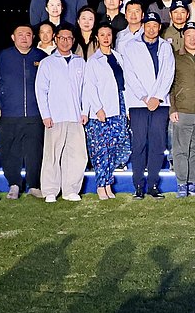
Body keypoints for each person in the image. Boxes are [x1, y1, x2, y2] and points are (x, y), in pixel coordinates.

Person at [121, 11, 175, 200]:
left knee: (158, 145)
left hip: (160, 104)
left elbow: (168, 73)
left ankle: (152, 184)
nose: (152, 28)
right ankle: (138, 185)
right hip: (138, 104)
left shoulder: (165, 47)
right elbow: (129, 75)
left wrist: (157, 97)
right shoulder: (130, 46)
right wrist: (145, 97)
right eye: (148, 25)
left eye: (155, 25)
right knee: (139, 144)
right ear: (143, 26)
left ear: (159, 28)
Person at [35, 23, 87, 202]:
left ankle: (70, 190)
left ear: (73, 41)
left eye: (69, 38)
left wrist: (84, 111)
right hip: (55, 117)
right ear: (56, 39)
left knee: (77, 155)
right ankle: (50, 190)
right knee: (52, 154)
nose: (65, 41)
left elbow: (85, 90)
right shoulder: (47, 63)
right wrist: (46, 115)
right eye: (62, 38)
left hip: (75, 116)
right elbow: (40, 90)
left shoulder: (80, 62)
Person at [0, 24, 47, 199]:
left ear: (33, 37)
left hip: (35, 113)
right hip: (10, 113)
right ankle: (14, 184)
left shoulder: (41, 56)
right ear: (13, 37)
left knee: (35, 150)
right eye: (20, 34)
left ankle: (34, 185)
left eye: (28, 34)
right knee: (10, 150)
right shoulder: (3, 56)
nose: (24, 37)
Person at [82, 23, 132, 200]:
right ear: (97, 37)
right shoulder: (93, 61)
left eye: (108, 35)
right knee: (101, 150)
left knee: (115, 148)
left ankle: (109, 183)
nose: (105, 38)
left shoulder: (119, 57)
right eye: (102, 35)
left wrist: (127, 108)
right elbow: (89, 87)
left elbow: (125, 84)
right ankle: (101, 185)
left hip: (118, 106)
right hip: (101, 111)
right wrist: (97, 109)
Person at [170, 21, 195, 198]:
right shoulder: (175, 57)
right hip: (183, 110)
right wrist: (173, 108)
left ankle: (193, 182)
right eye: (189, 35)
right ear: (183, 37)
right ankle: (181, 183)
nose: (192, 39)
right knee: (180, 149)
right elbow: (171, 84)